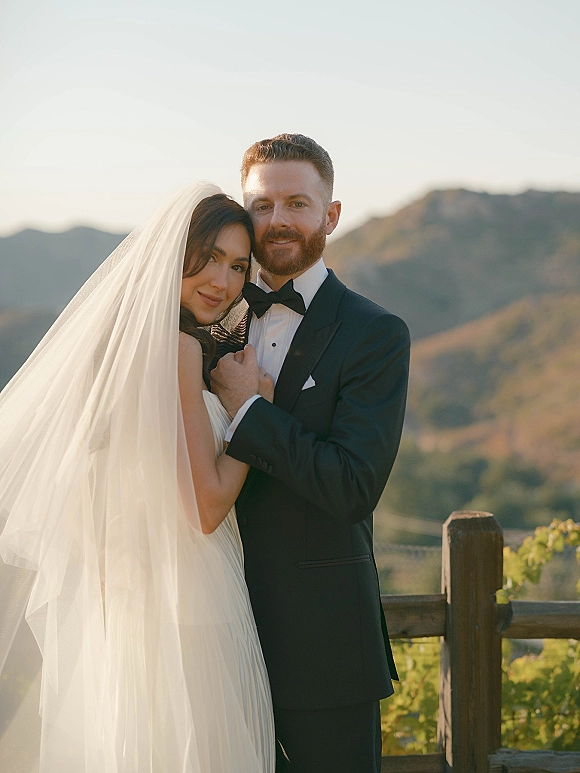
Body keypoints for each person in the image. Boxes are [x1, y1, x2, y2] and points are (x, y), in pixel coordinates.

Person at [0, 183, 275, 772]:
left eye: (236, 266)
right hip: (193, 605)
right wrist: (255, 411)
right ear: (172, 257)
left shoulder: (115, 357)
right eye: (207, 258)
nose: (222, 282)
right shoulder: (176, 349)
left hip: (132, 610)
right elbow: (206, 507)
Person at [210, 134, 411, 772]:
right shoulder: (205, 315)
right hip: (210, 636)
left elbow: (353, 486)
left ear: (331, 214)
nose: (278, 221)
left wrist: (249, 413)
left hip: (325, 647)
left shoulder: (375, 334)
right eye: (262, 205)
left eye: (298, 203)